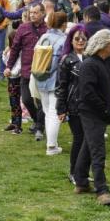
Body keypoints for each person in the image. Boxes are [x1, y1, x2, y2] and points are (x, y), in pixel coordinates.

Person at [73, 29, 110, 206]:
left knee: (89, 146)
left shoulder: (100, 63)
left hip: (96, 112)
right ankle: (101, 189)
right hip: (92, 113)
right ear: (103, 45)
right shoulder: (90, 65)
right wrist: (104, 110)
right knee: (98, 149)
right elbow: (87, 93)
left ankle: (81, 181)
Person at [5, 2, 48, 141]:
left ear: (42, 13)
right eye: (31, 12)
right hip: (27, 70)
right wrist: (9, 67)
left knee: (42, 102)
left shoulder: (47, 29)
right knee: (27, 100)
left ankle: (40, 128)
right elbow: (15, 49)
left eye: (35, 12)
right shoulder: (23, 28)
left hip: (43, 71)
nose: (32, 15)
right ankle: (37, 120)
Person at [55, 25, 88, 182]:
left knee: (87, 140)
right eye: (77, 38)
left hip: (89, 106)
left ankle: (83, 172)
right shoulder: (67, 60)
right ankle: (74, 172)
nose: (80, 41)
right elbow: (62, 86)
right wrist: (61, 109)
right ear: (71, 41)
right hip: (73, 106)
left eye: (83, 38)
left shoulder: (90, 57)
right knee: (79, 138)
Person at [35, 11, 68, 155]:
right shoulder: (64, 40)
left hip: (40, 77)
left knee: (47, 111)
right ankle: (51, 145)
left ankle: (51, 144)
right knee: (54, 113)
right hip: (55, 80)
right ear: (64, 24)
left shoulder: (43, 37)